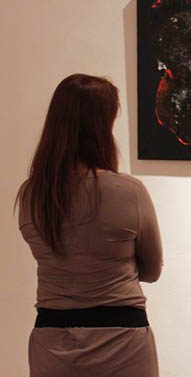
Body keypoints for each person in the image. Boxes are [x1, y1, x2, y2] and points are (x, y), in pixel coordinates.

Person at [16, 74, 163, 377]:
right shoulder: (129, 191)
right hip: (123, 339)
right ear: (102, 127)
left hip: (52, 339)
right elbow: (152, 270)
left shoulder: (32, 194)